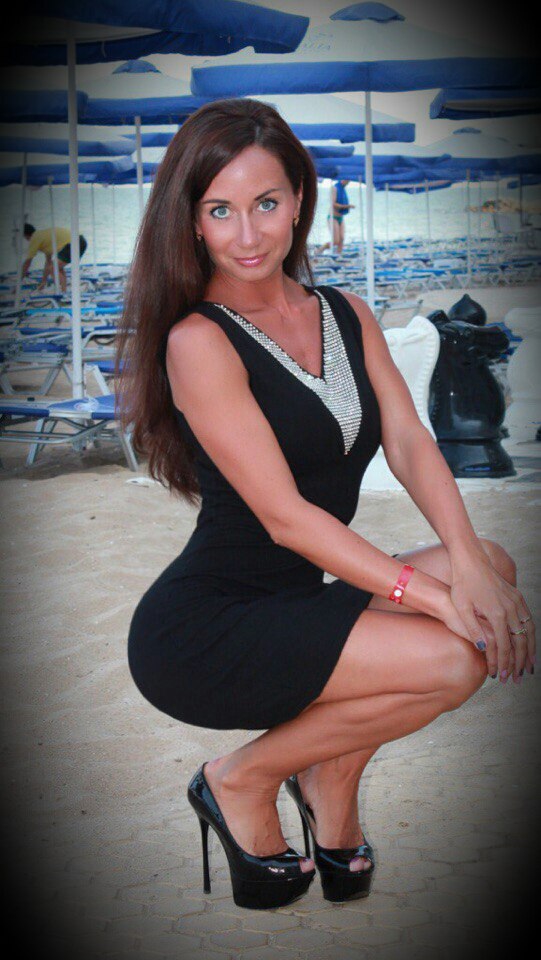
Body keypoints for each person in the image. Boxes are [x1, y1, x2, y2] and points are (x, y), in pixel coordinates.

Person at [116, 98, 535, 911]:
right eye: (220, 210)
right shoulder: (198, 340)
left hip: (296, 600)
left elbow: (408, 441)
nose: (247, 235)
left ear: (299, 200)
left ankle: (329, 774)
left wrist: (467, 565)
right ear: (192, 220)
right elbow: (284, 518)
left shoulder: (344, 312)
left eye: (265, 203)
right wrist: (432, 598)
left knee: (491, 566)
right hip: (205, 629)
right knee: (453, 657)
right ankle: (241, 778)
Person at [22, 223, 88, 293]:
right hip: (80, 240)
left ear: (26, 235)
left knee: (53, 268)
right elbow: (48, 262)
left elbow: (27, 263)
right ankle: (64, 291)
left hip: (74, 242)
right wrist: (43, 281)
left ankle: (63, 291)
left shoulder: (35, 238)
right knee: (57, 267)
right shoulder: (42, 236)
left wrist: (20, 280)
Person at [315, 179, 354, 255]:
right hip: (333, 217)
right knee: (336, 241)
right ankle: (321, 249)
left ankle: (339, 255)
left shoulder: (343, 189)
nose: (348, 182)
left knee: (342, 238)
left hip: (341, 217)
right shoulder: (334, 188)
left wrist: (347, 206)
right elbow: (333, 204)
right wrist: (347, 206)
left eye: (349, 181)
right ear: (342, 179)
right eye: (347, 180)